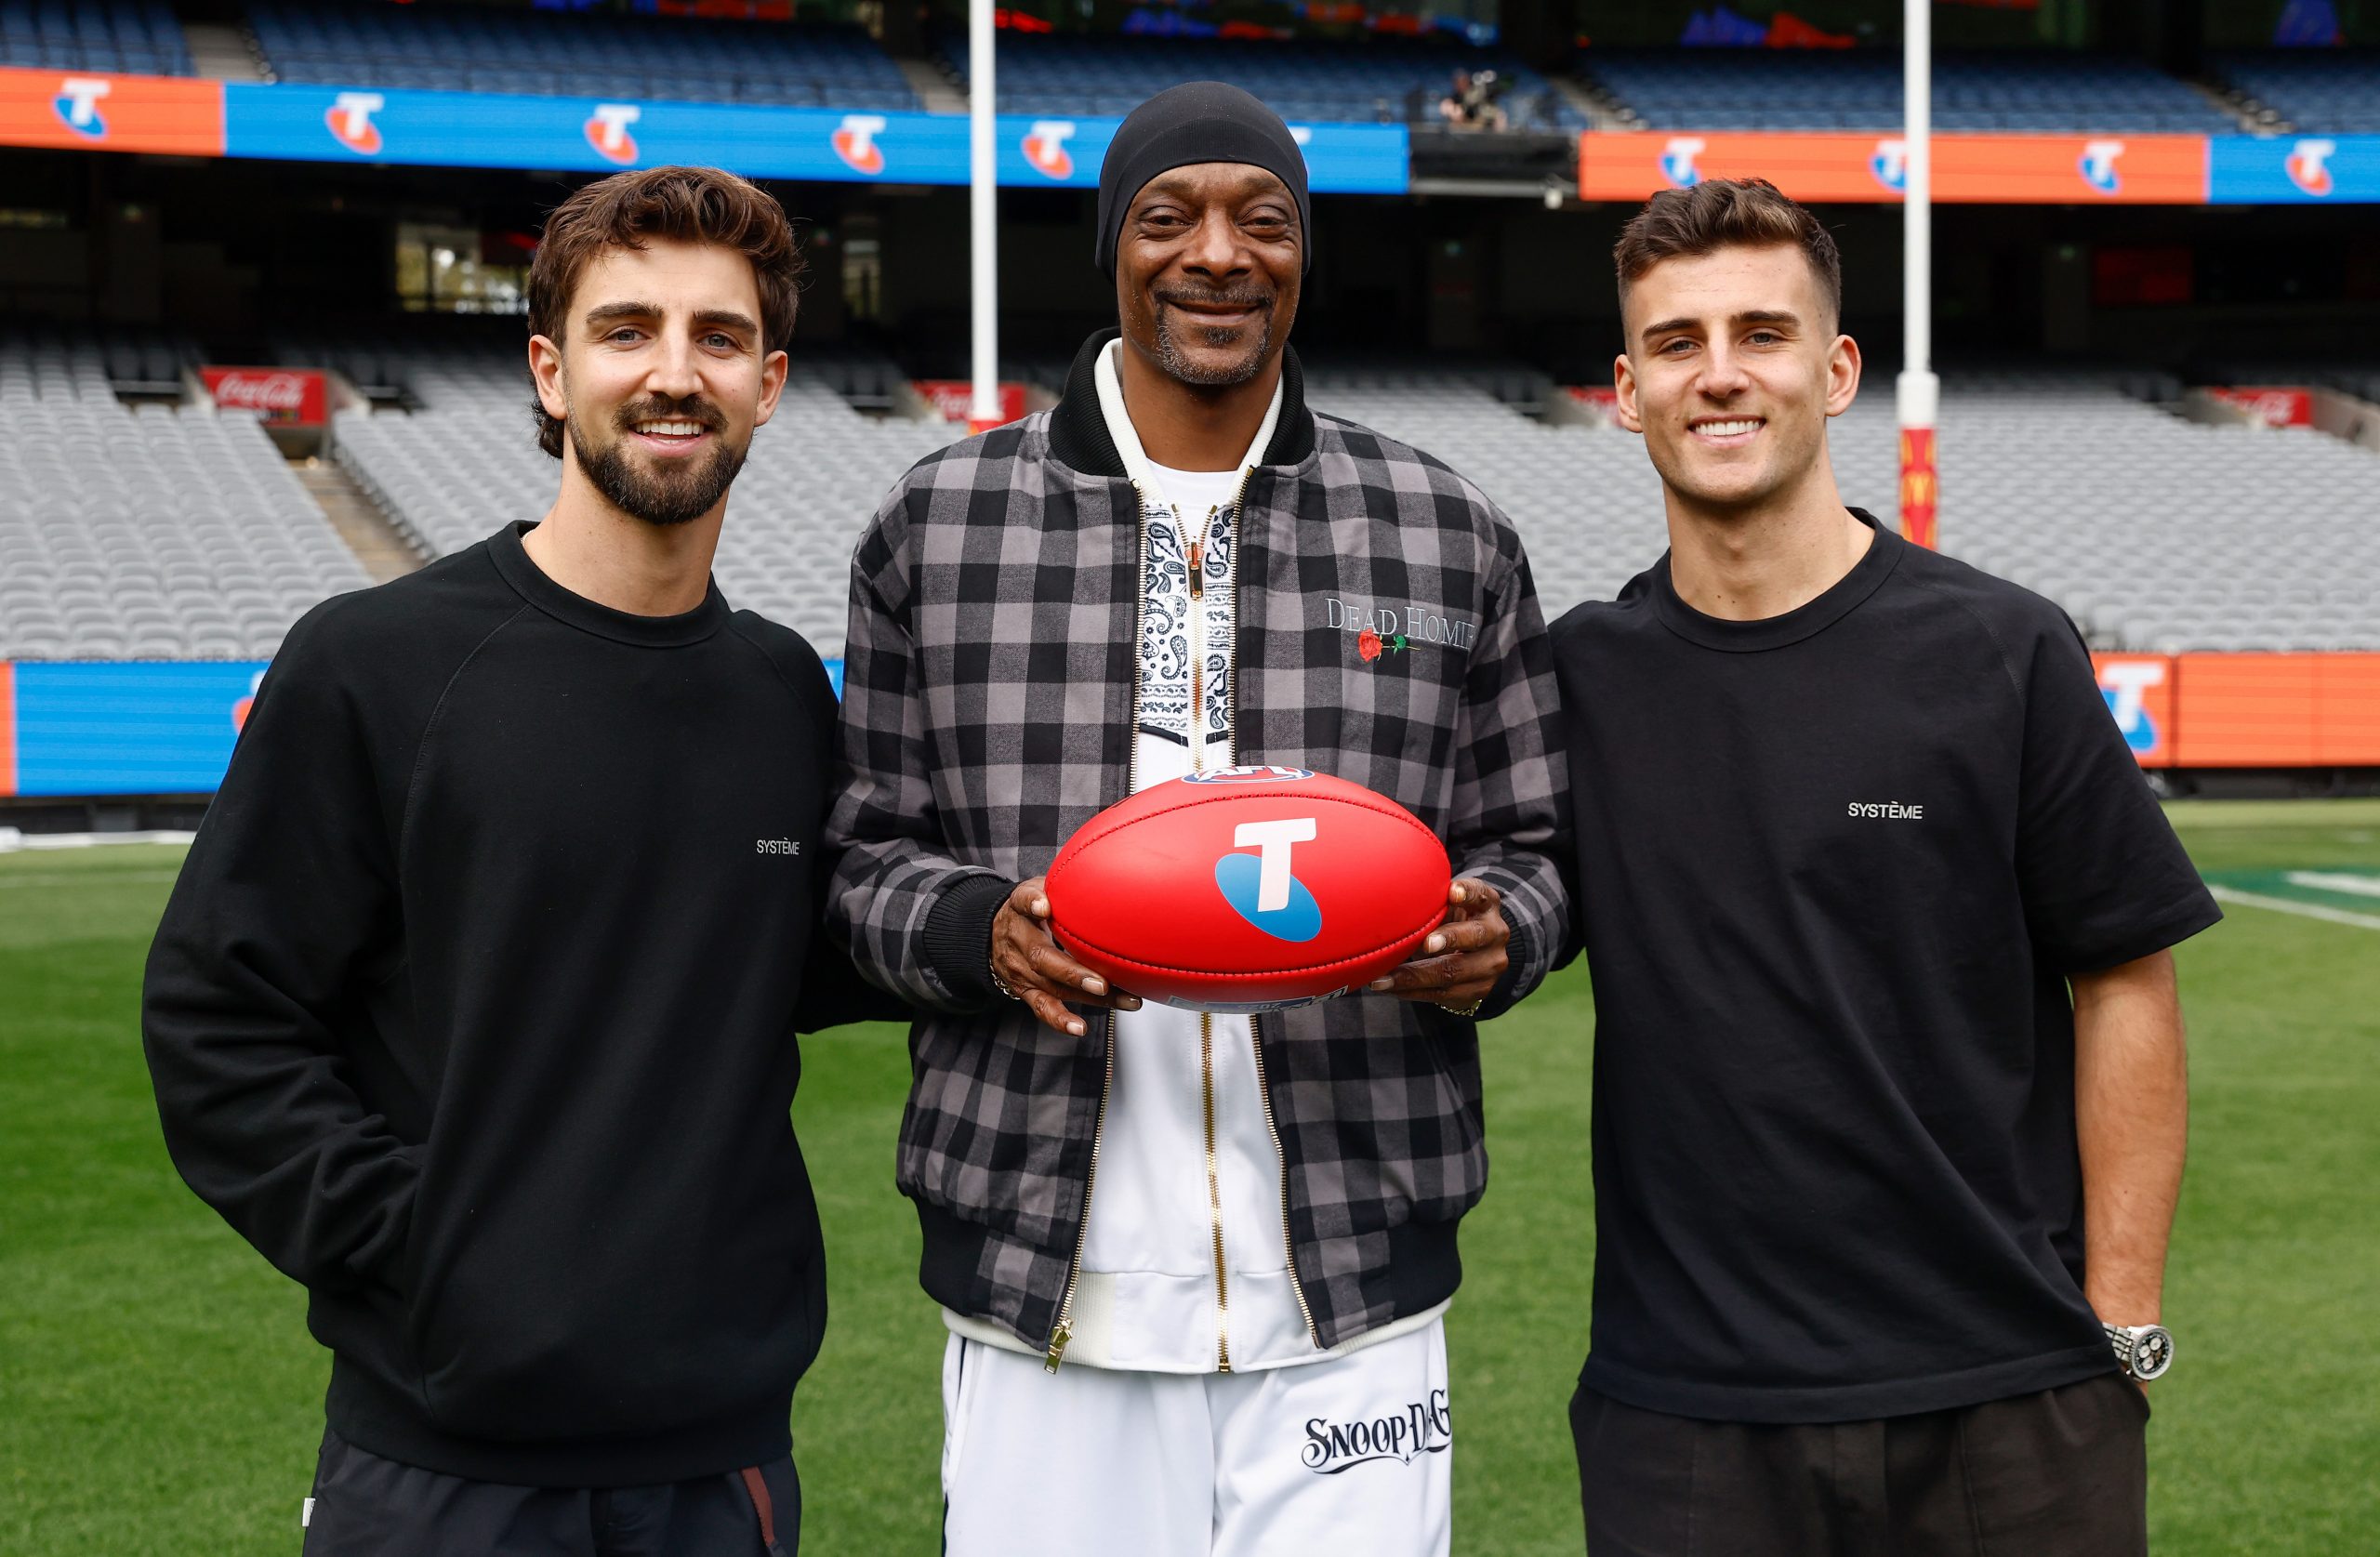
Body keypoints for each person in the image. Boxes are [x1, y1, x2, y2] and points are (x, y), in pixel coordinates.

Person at [826, 82, 1567, 1557]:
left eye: (1264, 221)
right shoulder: (942, 522)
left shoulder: (1442, 522)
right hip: (1049, 1278)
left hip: (1355, 1276)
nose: (1218, 254)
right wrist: (984, 931)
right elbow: (859, 862)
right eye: (1169, 218)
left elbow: (1537, 847)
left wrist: (1505, 933)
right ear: (1113, 247)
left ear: (1304, 252)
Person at [141, 165, 886, 1557]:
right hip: (441, 1468)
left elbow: (807, 950)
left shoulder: (783, 692)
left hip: (719, 1466)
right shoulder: (375, 665)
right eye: (627, 332)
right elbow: (216, 1018)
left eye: (718, 338)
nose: (675, 374)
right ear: (550, 371)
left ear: (771, 382)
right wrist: (432, 1247)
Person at [1548, 177, 2221, 1555]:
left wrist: (2124, 1320)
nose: (1719, 375)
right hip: (1687, 1417)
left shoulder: (2001, 651)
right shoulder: (1578, 679)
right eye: (1676, 343)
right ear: (1626, 390)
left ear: (1837, 368)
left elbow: (2127, 976)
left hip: (2012, 1403)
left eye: (1763, 333)